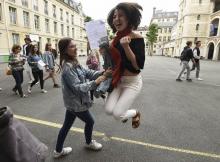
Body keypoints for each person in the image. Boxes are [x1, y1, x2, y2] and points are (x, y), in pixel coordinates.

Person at [53, 38, 111, 158]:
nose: (76, 48)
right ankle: (89, 142)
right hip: (76, 104)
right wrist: (96, 82)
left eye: (75, 45)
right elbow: (78, 88)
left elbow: (88, 72)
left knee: (66, 126)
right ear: (64, 50)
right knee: (90, 121)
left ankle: (58, 151)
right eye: (72, 46)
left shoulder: (74, 62)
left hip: (72, 103)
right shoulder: (68, 68)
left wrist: (102, 73)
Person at [104, 2, 145, 129]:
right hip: (118, 80)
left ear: (129, 18)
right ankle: (124, 111)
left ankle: (135, 113)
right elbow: (110, 64)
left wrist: (126, 47)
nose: (117, 19)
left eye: (121, 15)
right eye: (114, 16)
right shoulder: (113, 41)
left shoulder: (137, 37)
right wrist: (103, 52)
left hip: (132, 82)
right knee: (108, 110)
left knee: (117, 114)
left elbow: (138, 65)